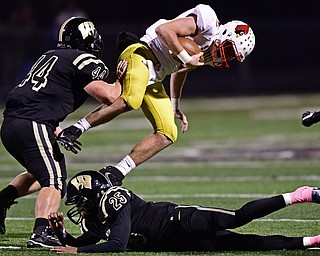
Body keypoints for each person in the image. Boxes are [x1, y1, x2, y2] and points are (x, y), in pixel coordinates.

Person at [57, 4, 256, 185]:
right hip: (142, 53)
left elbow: (180, 70)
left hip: (156, 76)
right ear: (227, 32)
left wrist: (175, 105)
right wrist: (186, 57)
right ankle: (75, 129)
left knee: (168, 133)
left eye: (231, 57)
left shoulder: (207, 51)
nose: (225, 56)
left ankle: (116, 172)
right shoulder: (208, 21)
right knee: (131, 100)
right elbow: (164, 30)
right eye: (229, 49)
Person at [0, 17, 126, 248]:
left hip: (13, 124)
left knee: (42, 173)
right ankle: (42, 232)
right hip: (32, 123)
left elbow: (43, 94)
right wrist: (121, 80)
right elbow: (109, 96)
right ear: (87, 38)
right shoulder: (81, 58)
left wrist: (55, 129)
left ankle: (2, 200)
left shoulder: (49, 55)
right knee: (55, 180)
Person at [48, 170, 320, 253]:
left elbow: (117, 244)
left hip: (181, 220)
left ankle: (298, 195)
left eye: (81, 201)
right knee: (243, 244)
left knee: (237, 218)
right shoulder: (94, 219)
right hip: (175, 242)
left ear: (93, 196)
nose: (79, 208)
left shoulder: (113, 199)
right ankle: (312, 241)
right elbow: (79, 243)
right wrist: (61, 233)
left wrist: (78, 252)